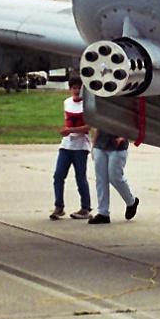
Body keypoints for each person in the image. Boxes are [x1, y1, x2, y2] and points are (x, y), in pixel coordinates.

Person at [50, 76, 92, 220]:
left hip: (80, 146)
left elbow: (88, 127)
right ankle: (59, 206)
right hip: (66, 145)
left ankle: (85, 207)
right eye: (74, 88)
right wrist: (66, 131)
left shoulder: (87, 105)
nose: (76, 90)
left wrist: (71, 131)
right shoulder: (67, 103)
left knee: (80, 177)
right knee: (58, 175)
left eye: (79, 88)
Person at [88, 130, 139, 225]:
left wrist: (125, 137)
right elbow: (97, 126)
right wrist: (94, 145)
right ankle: (103, 213)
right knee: (101, 179)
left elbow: (132, 125)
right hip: (100, 145)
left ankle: (131, 201)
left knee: (115, 177)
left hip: (117, 147)